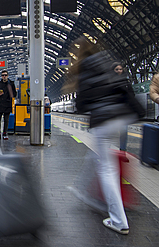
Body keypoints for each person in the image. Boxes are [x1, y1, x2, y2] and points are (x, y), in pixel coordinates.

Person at [70, 37, 144, 235]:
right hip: (121, 117)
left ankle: (119, 220)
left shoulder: (84, 69)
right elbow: (123, 88)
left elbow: (81, 104)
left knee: (107, 169)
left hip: (103, 120)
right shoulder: (106, 62)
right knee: (100, 156)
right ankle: (83, 190)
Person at [111, 62, 135, 155]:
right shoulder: (109, 81)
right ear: (113, 70)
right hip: (112, 110)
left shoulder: (126, 82)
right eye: (117, 69)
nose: (119, 71)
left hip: (123, 110)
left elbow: (132, 94)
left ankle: (123, 152)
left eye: (120, 69)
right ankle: (107, 151)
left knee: (124, 131)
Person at [0, 70, 16, 140]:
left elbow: (15, 94)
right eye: (3, 75)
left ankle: (5, 133)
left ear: (7, 76)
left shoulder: (11, 84)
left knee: (6, 120)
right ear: (1, 76)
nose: (4, 76)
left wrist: (10, 92)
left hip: (7, 104)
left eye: (5, 75)